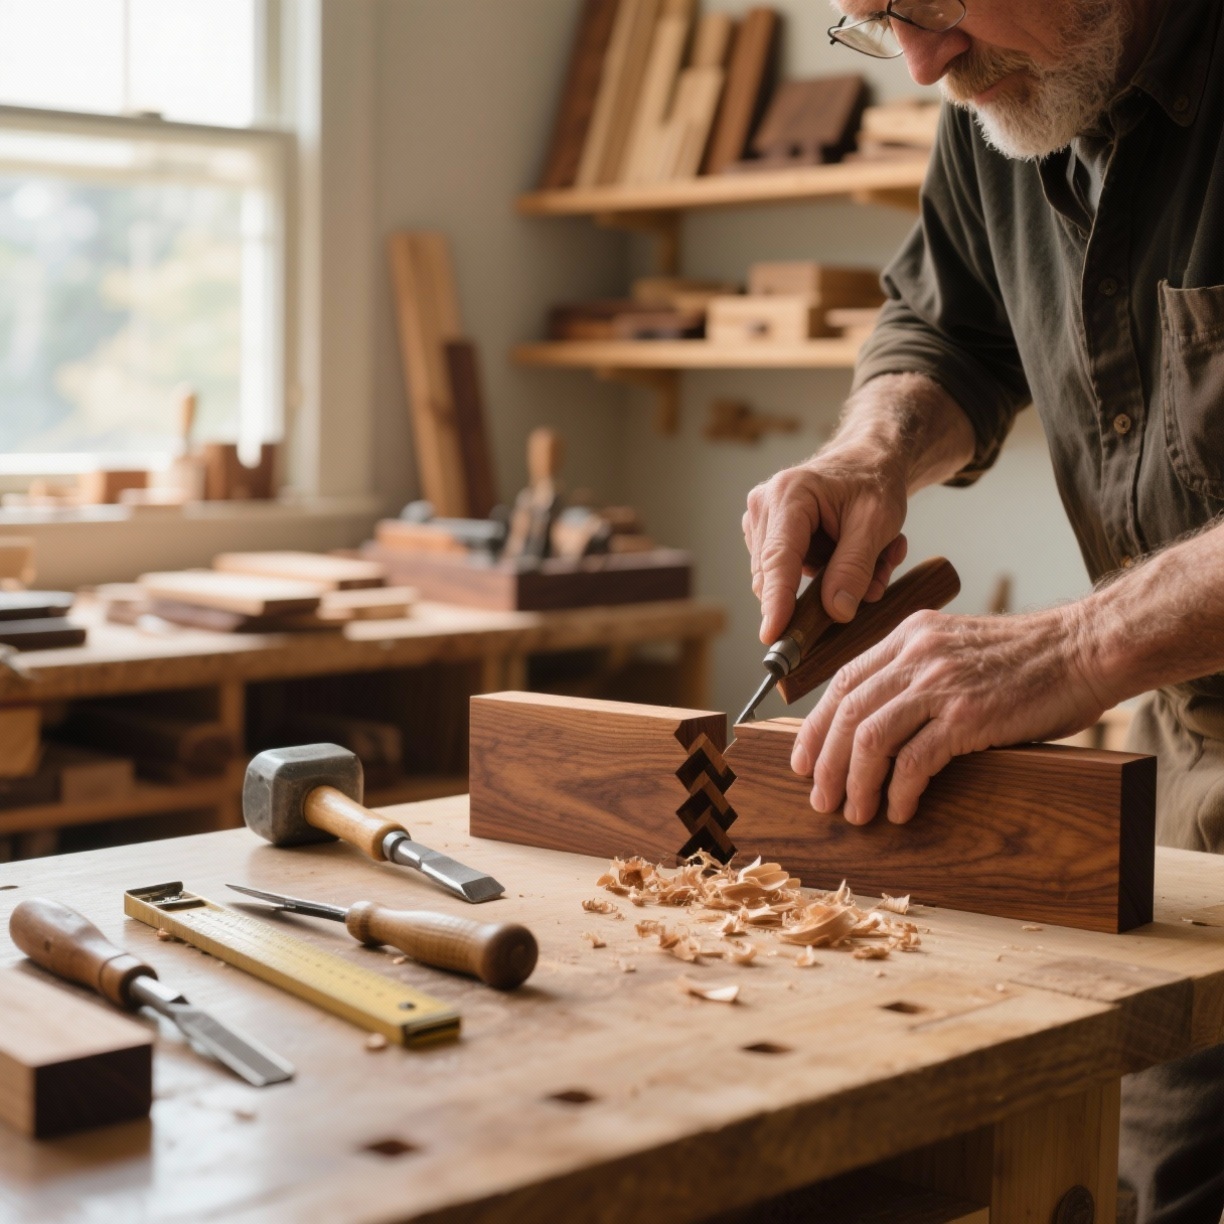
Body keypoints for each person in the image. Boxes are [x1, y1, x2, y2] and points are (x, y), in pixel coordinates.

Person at [741, 0, 1224, 1219]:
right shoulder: (1003, 94)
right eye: (874, 16)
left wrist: (1075, 647)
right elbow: (946, 330)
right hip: (1191, 782)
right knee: (1157, 1182)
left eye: (936, 1)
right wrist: (873, 453)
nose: (918, 59)